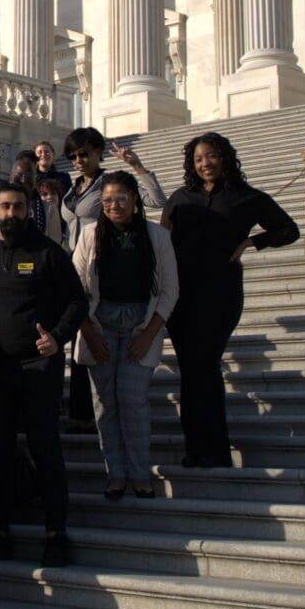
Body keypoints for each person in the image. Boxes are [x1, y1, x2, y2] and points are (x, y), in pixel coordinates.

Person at [0, 184, 87, 567]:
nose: (11, 212)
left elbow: (77, 303)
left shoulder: (49, 253)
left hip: (38, 367)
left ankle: (56, 532)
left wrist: (58, 338)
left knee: (45, 448)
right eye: (5, 206)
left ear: (28, 210)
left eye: (18, 206)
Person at [161, 132, 299, 468]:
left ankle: (216, 449)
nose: (205, 163)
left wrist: (251, 243)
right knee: (191, 371)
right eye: (198, 159)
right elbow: (162, 242)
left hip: (220, 293)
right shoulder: (181, 198)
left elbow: (289, 229)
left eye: (211, 156)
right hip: (182, 296)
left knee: (205, 364)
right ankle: (197, 449)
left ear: (224, 158)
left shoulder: (246, 197)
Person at [73, 173, 180, 499]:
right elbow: (75, 288)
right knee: (105, 404)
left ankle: (139, 472)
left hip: (139, 326)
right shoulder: (91, 235)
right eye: (106, 200)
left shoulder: (157, 236)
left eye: (121, 198)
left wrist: (149, 334)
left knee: (132, 401)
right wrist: (88, 332)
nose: (113, 205)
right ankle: (116, 474)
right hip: (100, 327)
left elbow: (169, 290)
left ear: (134, 200)